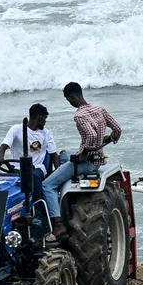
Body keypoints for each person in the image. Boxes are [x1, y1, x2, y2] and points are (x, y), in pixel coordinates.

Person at [40, 82, 122, 239]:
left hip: (87, 163)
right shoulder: (99, 109)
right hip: (99, 159)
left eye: (68, 100)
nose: (69, 103)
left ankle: (58, 224)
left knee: (47, 185)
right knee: (64, 155)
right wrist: (108, 139)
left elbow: (90, 136)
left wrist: (84, 152)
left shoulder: (79, 116)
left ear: (72, 96)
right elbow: (117, 129)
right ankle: (64, 198)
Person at [0, 104, 57, 175]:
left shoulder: (46, 133)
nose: (45, 122)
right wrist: (1, 157)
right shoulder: (16, 129)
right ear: (39, 118)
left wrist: (58, 172)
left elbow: (54, 154)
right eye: (45, 119)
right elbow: (3, 146)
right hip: (18, 168)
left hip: (37, 167)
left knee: (35, 176)